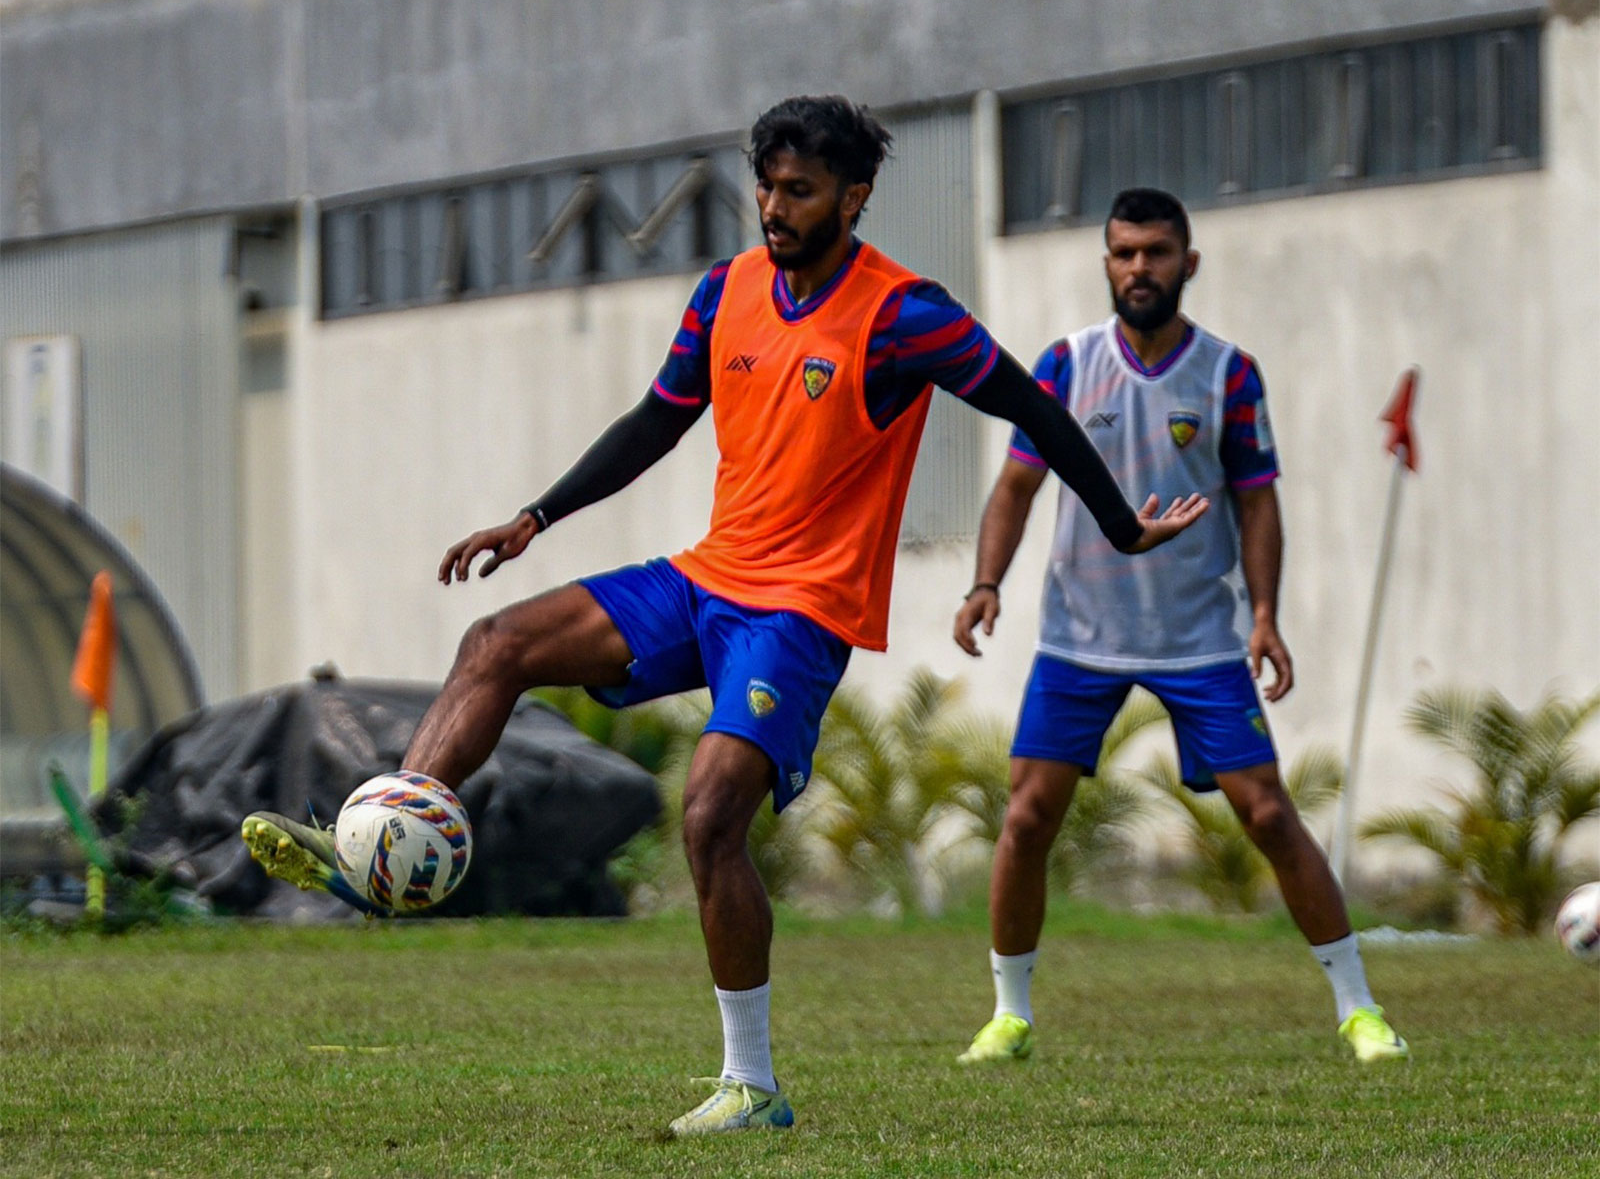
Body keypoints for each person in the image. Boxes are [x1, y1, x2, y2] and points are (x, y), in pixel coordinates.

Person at [241, 99, 1206, 1137]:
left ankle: (752, 1086)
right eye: (767, 186)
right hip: (705, 578)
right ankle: (383, 846)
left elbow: (1033, 407)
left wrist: (1117, 521)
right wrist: (536, 516)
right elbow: (659, 418)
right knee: (497, 644)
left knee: (707, 819)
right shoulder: (727, 291)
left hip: (797, 613)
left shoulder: (903, 313)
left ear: (854, 196)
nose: (774, 208)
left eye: (800, 190)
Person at [952, 188, 1407, 1068]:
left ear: (1187, 262)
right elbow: (1015, 487)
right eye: (1123, 253)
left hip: (1199, 639)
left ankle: (1360, 1009)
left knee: (1269, 814)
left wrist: (1266, 614)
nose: (1139, 269)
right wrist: (984, 584)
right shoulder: (1065, 365)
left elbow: (1257, 500)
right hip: (1078, 636)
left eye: (1157, 252)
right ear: (1106, 264)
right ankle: (1009, 1016)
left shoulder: (1229, 373)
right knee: (1028, 818)